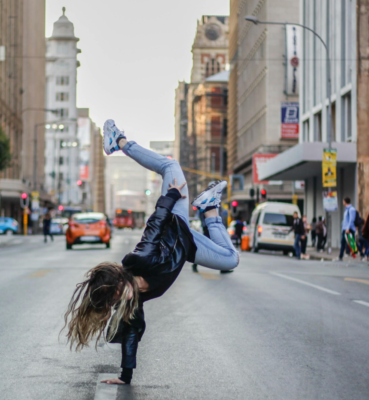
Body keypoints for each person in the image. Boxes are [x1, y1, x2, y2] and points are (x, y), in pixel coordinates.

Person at [63, 120, 239, 386]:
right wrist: (125, 377)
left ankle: (118, 141)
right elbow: (131, 337)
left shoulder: (138, 260)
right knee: (231, 259)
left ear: (121, 280)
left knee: (171, 166)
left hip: (174, 220)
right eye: (116, 299)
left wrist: (170, 197)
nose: (124, 297)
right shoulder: (131, 305)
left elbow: (155, 225)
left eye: (120, 291)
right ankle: (209, 206)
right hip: (188, 246)